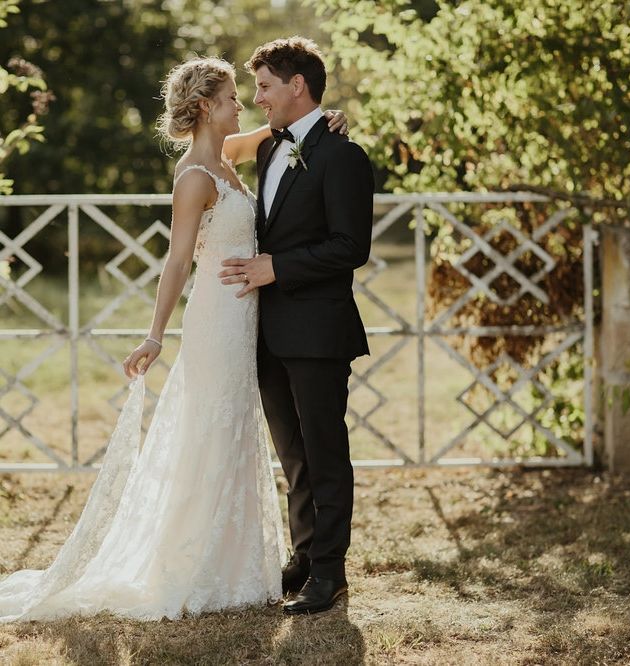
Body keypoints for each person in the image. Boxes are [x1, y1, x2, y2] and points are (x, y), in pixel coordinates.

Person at [0, 56, 349, 622]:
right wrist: (154, 336)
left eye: (248, 94)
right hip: (217, 318)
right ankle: (192, 562)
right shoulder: (194, 177)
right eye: (235, 96)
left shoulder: (230, 156)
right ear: (208, 106)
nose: (244, 104)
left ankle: (239, 562)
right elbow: (178, 261)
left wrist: (329, 117)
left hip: (251, 320)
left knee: (236, 431)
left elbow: (285, 126)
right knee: (207, 431)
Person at [218, 37, 374, 615]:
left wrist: (276, 267)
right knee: (294, 453)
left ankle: (330, 573)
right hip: (268, 329)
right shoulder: (269, 149)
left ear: (296, 86)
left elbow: (350, 247)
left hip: (318, 328)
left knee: (326, 450)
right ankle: (306, 555)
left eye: (263, 86)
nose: (257, 98)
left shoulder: (343, 156)